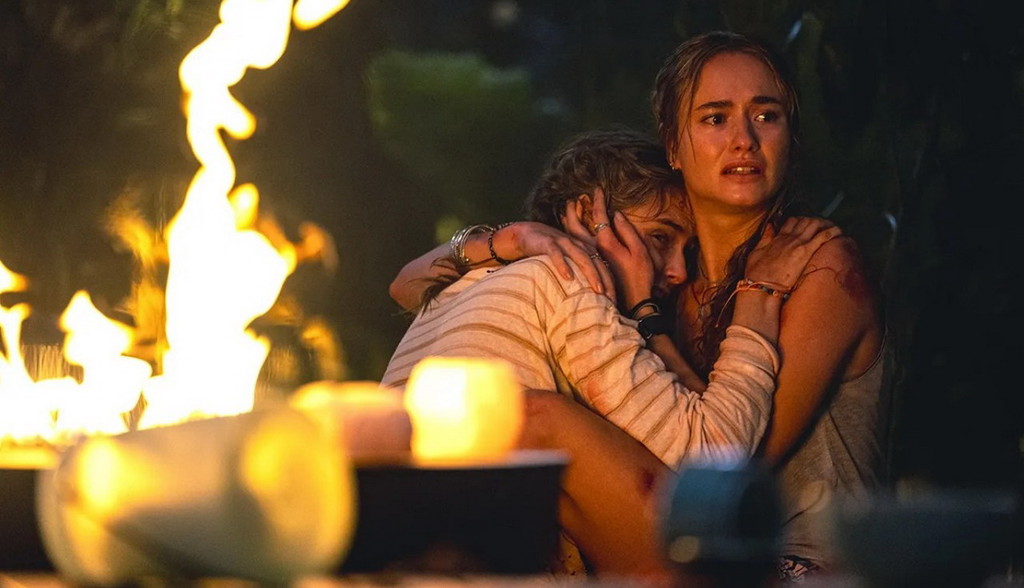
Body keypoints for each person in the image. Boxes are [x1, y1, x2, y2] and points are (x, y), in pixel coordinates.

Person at [383, 128, 839, 578]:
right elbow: (711, 459)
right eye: (660, 238)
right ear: (588, 215)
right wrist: (759, 292)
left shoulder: (451, 290)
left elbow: (403, 285)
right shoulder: (569, 282)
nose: (679, 272)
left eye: (687, 252)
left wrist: (511, 240)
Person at [642, 30, 889, 580]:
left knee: (550, 425)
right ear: (673, 147)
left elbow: (728, 471)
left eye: (765, 115)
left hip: (808, 567)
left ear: (790, 138)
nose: (744, 140)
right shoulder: (670, 283)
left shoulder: (824, 268)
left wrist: (648, 326)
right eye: (715, 118)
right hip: (703, 554)